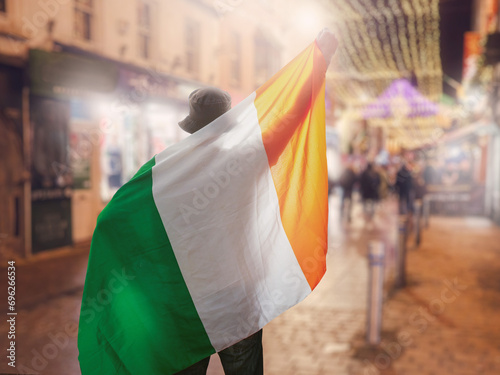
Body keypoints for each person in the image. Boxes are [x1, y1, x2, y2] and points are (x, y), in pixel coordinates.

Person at [174, 28, 339, 375]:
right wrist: (318, 62)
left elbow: (128, 211)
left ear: (191, 129)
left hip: (191, 297)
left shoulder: (172, 172)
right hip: (237, 299)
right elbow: (289, 119)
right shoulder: (245, 161)